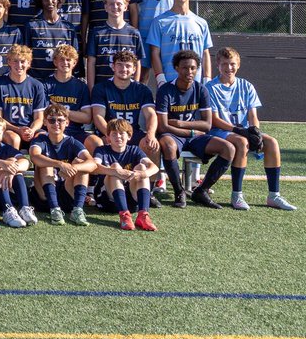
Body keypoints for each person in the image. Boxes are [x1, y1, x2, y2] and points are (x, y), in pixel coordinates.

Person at [205, 47, 296, 211]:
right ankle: (237, 195)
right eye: (224, 64)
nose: (228, 68)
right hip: (220, 132)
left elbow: (253, 115)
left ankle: (274, 195)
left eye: (232, 64)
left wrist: (255, 132)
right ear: (217, 65)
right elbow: (215, 120)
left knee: (272, 142)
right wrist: (239, 130)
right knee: (241, 142)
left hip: (243, 131)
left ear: (238, 65)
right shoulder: (211, 87)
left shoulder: (246, 86)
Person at [154, 49, 236, 209]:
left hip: (191, 135)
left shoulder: (201, 90)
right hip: (173, 136)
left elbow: (207, 124)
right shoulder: (165, 90)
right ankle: (179, 191)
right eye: (185, 68)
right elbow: (163, 126)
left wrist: (180, 124)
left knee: (228, 148)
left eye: (193, 68)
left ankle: (202, 190)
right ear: (176, 68)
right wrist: (191, 131)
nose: (189, 71)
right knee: (169, 146)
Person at [29, 104, 96, 226]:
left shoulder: (72, 141)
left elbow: (92, 163)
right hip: (44, 195)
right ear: (45, 122)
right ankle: (54, 209)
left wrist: (74, 167)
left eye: (60, 120)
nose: (56, 124)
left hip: (66, 189)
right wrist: (60, 164)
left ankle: (77, 210)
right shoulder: (40, 139)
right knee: (45, 163)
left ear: (67, 123)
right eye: (52, 120)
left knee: (81, 164)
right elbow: (34, 156)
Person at [93, 118, 160, 231]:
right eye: (114, 134)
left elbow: (154, 167)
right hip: (108, 199)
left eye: (121, 133)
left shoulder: (134, 150)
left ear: (129, 136)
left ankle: (143, 215)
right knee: (115, 167)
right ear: (108, 138)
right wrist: (115, 171)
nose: (118, 137)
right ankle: (124, 215)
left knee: (142, 168)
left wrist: (143, 174)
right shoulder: (101, 150)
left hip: (131, 201)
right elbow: (94, 168)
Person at [147, 0, 213, 85]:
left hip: (195, 84)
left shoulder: (201, 23)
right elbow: (154, 53)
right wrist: (160, 79)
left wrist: (207, 80)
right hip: (169, 83)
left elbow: (205, 53)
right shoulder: (159, 22)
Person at [0, 114, 34, 227]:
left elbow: (26, 162)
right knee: (0, 170)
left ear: (3, 133)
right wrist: (0, 163)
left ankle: (25, 207)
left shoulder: (7, 148)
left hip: (6, 191)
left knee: (14, 167)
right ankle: (7, 209)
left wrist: (10, 169)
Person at [0, 44, 47, 150]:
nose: (19, 65)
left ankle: (41, 166)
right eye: (15, 61)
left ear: (29, 63)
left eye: (23, 61)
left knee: (42, 137)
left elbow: (39, 118)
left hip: (29, 129)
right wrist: (18, 129)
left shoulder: (37, 85)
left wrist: (32, 130)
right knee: (14, 139)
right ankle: (12, 164)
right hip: (7, 128)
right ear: (9, 62)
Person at [86, 0, 145, 88]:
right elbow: (91, 63)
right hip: (102, 89)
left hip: (127, 89)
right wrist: (91, 89)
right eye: (111, 4)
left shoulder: (134, 33)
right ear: (105, 7)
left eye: (119, 4)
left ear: (126, 7)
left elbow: (137, 63)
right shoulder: (97, 33)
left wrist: (135, 87)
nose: (115, 7)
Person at [23, 0, 78, 80]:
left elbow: (74, 56)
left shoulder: (69, 28)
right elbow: (25, 55)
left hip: (60, 81)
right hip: (37, 79)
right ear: (40, 1)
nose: (50, 2)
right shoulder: (31, 26)